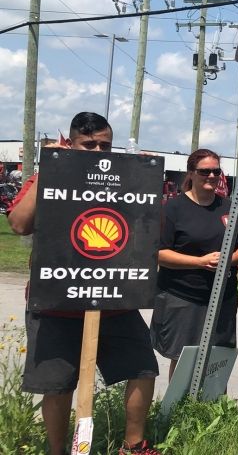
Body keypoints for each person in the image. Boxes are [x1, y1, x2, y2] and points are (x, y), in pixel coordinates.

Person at [7, 112, 160, 455]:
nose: (97, 151)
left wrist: (144, 175)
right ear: (71, 143)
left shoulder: (123, 179)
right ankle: (58, 451)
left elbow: (149, 225)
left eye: (104, 145)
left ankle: (134, 446)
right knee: (58, 386)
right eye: (88, 145)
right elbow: (18, 224)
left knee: (144, 368)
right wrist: (50, 168)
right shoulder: (48, 175)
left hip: (114, 299)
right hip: (57, 302)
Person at [151, 148, 238, 379]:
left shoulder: (229, 207)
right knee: (184, 357)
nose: (211, 176)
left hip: (222, 298)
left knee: (218, 357)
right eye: (204, 171)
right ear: (191, 173)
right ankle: (180, 409)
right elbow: (159, 253)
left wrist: (227, 260)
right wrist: (199, 262)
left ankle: (216, 408)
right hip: (183, 295)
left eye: (216, 171)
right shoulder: (173, 208)